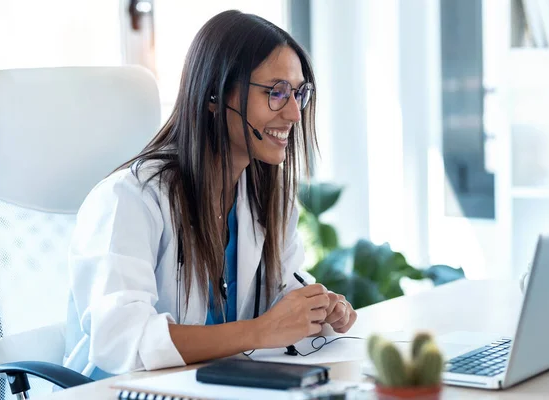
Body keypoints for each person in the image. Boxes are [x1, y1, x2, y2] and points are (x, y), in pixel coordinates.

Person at [63, 10, 357, 379]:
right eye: (277, 92)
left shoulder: (265, 195)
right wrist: (261, 331)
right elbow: (120, 340)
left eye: (299, 93)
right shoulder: (130, 198)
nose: (295, 113)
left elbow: (283, 287)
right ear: (215, 96)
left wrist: (316, 309)